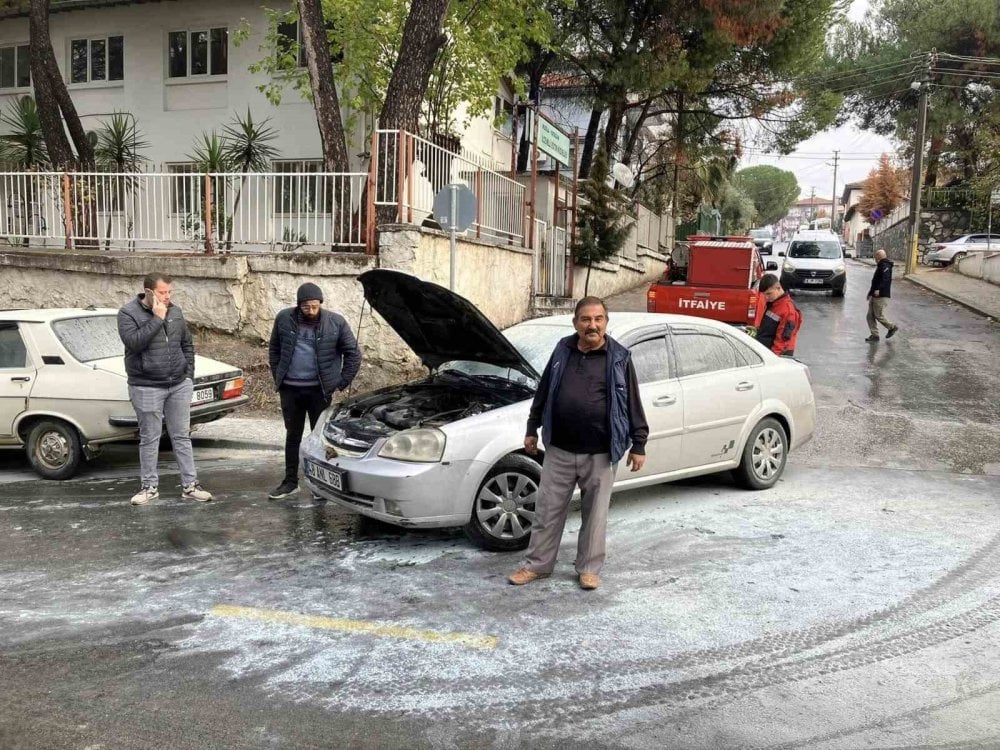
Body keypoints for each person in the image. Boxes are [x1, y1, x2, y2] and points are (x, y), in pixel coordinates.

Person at [508, 297, 648, 591]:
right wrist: (532, 427)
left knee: (595, 517)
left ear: (606, 323)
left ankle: (588, 569)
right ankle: (538, 565)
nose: (592, 325)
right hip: (559, 449)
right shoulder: (562, 349)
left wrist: (639, 444)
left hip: (600, 452)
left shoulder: (620, 357)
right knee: (547, 511)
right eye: (586, 319)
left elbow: (632, 401)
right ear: (576, 323)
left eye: (598, 319)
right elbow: (545, 389)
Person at [118, 273, 213, 506]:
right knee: (150, 437)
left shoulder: (176, 312)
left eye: (170, 292)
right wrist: (157, 319)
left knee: (181, 435)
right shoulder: (128, 313)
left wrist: (188, 376)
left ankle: (190, 486)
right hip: (146, 386)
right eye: (162, 292)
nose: (167, 297)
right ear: (149, 292)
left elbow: (187, 344)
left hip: (178, 384)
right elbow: (134, 343)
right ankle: (149, 488)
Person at [268, 282, 361, 500]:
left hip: (319, 391)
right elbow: (274, 349)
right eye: (306, 307)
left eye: (315, 306)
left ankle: (320, 485)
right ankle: (290, 482)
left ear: (321, 303)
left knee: (319, 439)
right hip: (290, 390)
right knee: (293, 436)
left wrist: (340, 382)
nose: (311, 311)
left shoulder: (335, 322)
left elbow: (353, 353)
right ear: (299, 305)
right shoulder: (284, 318)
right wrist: (279, 376)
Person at [755, 274, 802, 357]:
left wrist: (773, 359)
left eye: (769, 294)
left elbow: (783, 341)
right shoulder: (774, 304)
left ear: (778, 288)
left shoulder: (788, 310)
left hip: (779, 355)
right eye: (764, 294)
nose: (766, 297)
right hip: (767, 351)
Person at [866, 249, 899, 342]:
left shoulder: (885, 265)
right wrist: (870, 293)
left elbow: (886, 279)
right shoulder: (881, 265)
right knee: (870, 316)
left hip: (881, 295)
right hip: (875, 295)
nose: (875, 259)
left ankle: (892, 327)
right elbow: (875, 281)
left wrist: (879, 290)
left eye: (875, 257)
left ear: (878, 257)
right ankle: (875, 335)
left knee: (878, 315)